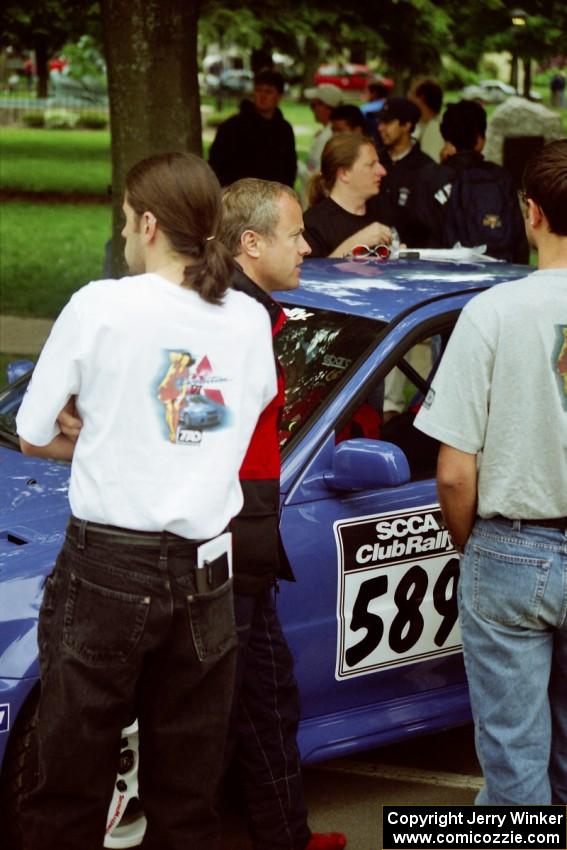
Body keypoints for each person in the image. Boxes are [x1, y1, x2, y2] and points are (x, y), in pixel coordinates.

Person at [16, 152, 277, 850]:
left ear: (150, 223)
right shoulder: (247, 320)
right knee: (188, 793)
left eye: (128, 222)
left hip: (109, 562)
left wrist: (98, 427)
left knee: (70, 777)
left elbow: (34, 431)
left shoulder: (102, 304)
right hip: (207, 569)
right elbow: (219, 431)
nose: (125, 236)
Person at [414, 139, 567, 804]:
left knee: (513, 762)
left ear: (529, 213)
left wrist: (468, 541)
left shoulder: (491, 312)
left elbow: (452, 471)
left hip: (512, 544)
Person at [220, 177, 347, 850]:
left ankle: (285, 836)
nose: (306, 245)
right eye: (295, 234)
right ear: (250, 243)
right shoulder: (231, 321)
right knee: (216, 706)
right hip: (227, 537)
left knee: (267, 698)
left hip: (251, 540)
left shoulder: (254, 313)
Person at [413, 99, 530, 262]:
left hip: (442, 275)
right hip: (497, 275)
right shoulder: (501, 178)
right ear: (480, 139)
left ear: (446, 137)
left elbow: (417, 237)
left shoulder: (427, 178)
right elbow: (519, 240)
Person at [303, 132, 393, 257]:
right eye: (371, 165)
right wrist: (356, 243)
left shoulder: (381, 209)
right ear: (344, 173)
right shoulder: (312, 224)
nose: (382, 171)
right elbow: (311, 275)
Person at [209, 68, 297, 188]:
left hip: (274, 198)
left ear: (279, 96)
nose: (263, 96)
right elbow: (216, 165)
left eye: (269, 92)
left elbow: (289, 169)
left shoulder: (284, 130)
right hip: (239, 196)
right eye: (259, 90)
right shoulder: (232, 127)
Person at [376, 97, 434, 247]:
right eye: (380, 122)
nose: (380, 128)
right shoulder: (374, 161)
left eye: (387, 123)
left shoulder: (426, 168)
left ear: (407, 125)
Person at [409, 78, 444, 163]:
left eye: (412, 94)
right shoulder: (420, 126)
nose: (409, 97)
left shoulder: (435, 129)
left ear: (421, 98)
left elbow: (432, 163)